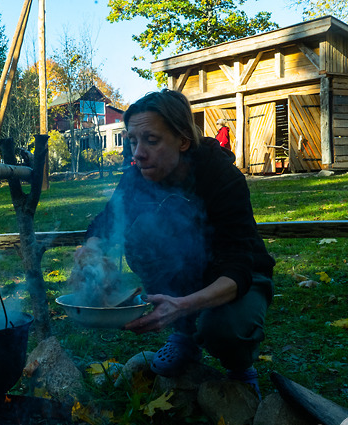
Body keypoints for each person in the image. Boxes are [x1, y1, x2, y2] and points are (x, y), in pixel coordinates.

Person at [75, 89, 274, 395]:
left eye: (151, 141)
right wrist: (90, 250)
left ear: (182, 141)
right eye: (132, 140)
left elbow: (238, 267)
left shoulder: (221, 177)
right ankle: (184, 335)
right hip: (185, 274)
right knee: (142, 236)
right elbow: (106, 222)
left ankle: (240, 367)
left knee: (223, 330)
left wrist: (181, 305)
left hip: (237, 277)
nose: (137, 153)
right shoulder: (137, 176)